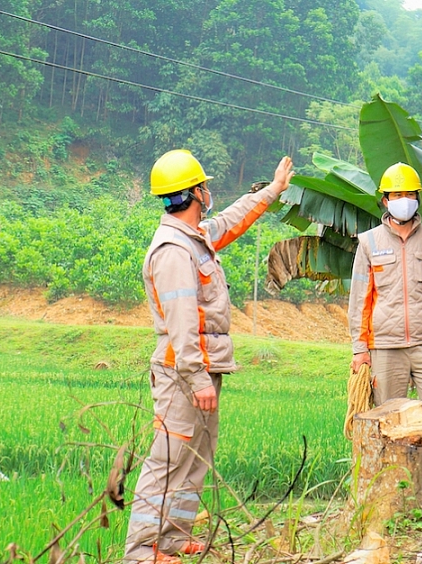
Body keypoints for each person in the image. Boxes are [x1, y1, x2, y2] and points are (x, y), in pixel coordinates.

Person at [123, 150, 293, 564]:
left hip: (204, 365)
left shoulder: (195, 237)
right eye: (204, 186)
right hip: (183, 371)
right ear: (195, 193)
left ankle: (173, 538)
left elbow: (233, 219)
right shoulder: (173, 251)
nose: (208, 193)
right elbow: (181, 322)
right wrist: (197, 377)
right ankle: (141, 549)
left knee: (197, 454)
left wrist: (273, 190)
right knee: (168, 458)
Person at [347, 162, 422, 421]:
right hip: (385, 346)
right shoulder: (369, 242)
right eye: (396, 195)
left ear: (417, 199)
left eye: (409, 194)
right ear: (385, 201)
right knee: (388, 422)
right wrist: (360, 350)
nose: (404, 200)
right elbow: (360, 300)